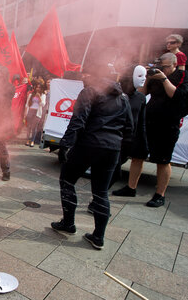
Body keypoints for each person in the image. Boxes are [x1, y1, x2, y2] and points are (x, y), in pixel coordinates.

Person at [51, 61, 133, 250]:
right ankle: (98, 236)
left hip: (89, 144)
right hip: (112, 148)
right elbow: (129, 128)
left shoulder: (90, 91)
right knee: (101, 191)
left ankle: (68, 223)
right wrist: (122, 154)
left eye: (86, 73)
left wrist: (65, 145)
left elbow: (78, 120)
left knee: (67, 180)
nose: (83, 76)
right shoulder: (123, 97)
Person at [112, 53, 188, 207]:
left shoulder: (183, 75)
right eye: (161, 66)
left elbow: (175, 95)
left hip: (168, 124)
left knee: (163, 160)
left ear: (174, 64)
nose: (163, 69)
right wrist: (147, 78)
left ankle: (159, 194)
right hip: (148, 120)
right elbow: (141, 94)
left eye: (166, 66)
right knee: (137, 155)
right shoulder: (153, 77)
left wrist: (163, 78)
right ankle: (131, 187)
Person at [110, 65, 148, 187]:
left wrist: (142, 143)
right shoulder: (115, 94)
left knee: (115, 173)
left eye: (145, 76)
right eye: (140, 75)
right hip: (113, 139)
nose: (144, 79)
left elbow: (141, 122)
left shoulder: (141, 98)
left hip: (128, 141)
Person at [24, 83, 46, 147]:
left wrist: (39, 97)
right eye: (37, 87)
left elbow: (43, 104)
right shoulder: (31, 94)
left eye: (39, 87)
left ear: (41, 88)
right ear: (35, 88)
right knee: (29, 127)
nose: (38, 88)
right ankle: (27, 140)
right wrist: (25, 113)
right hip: (30, 111)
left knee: (34, 128)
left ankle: (32, 141)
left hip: (37, 112)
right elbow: (27, 104)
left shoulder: (43, 95)